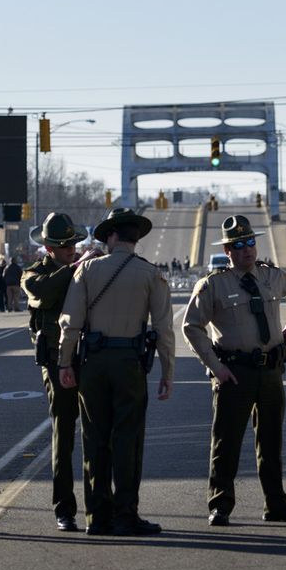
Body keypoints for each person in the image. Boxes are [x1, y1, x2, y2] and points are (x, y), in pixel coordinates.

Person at [183, 215, 286, 527]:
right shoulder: (213, 284)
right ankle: (220, 504)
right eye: (238, 245)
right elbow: (192, 326)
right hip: (234, 373)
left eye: (250, 242)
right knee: (226, 443)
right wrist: (215, 367)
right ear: (228, 250)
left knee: (271, 441)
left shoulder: (272, 277)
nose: (246, 250)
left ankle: (276, 504)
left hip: (270, 371)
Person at [57, 207, 174, 536]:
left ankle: (97, 517)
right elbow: (164, 329)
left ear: (110, 235)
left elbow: (70, 323)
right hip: (129, 364)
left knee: (94, 439)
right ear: (135, 237)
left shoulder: (87, 271)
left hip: (92, 363)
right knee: (128, 440)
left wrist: (65, 362)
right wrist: (168, 371)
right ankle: (126, 515)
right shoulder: (150, 274)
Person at [21, 212, 87, 532]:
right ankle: (64, 507)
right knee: (64, 434)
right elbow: (43, 292)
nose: (71, 250)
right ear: (48, 247)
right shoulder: (33, 274)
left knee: (97, 433)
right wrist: (75, 269)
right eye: (63, 246)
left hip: (88, 359)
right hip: (55, 360)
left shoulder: (83, 269)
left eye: (73, 244)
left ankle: (100, 504)